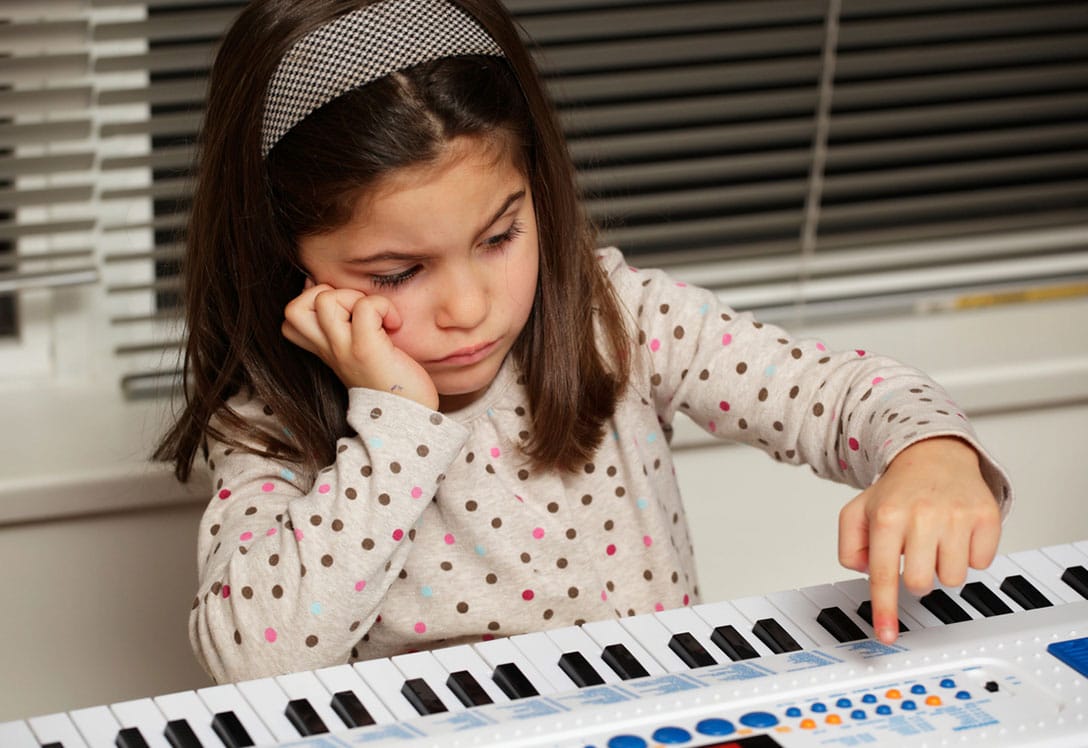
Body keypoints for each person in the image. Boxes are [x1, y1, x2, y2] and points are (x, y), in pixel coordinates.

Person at [156, 0, 1011, 685]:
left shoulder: (615, 319)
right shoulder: (268, 421)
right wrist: (396, 419)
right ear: (287, 257)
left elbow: (833, 396)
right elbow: (253, 656)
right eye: (395, 271)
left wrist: (930, 453)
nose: (468, 306)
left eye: (499, 237)